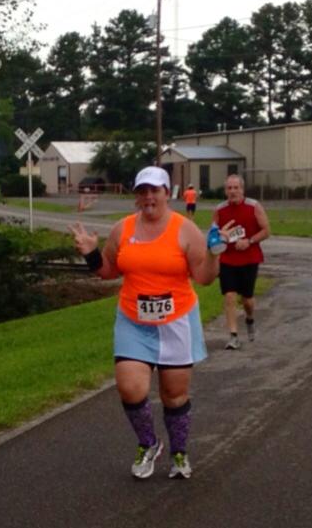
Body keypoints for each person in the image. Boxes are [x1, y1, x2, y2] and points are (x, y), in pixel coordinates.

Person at [70, 166, 233, 480]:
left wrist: (215, 255)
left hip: (176, 321)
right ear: (136, 196)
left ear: (166, 193)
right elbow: (108, 271)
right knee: (130, 388)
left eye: (155, 190)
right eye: (142, 191)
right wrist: (91, 254)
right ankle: (148, 443)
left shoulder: (185, 230)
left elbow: (203, 278)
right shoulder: (122, 229)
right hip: (134, 321)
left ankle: (179, 452)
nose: (148, 197)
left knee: (174, 395)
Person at [213, 174, 270, 350]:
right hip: (227, 259)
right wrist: (219, 237)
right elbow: (213, 236)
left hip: (249, 257)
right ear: (225, 191)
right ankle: (233, 336)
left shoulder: (254, 206)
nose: (232, 191)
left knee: (247, 299)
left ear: (242, 190)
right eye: (229, 188)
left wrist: (249, 241)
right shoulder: (220, 210)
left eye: (236, 188)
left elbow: (266, 231)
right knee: (229, 295)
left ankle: (250, 318)